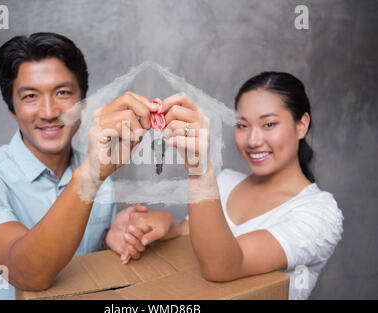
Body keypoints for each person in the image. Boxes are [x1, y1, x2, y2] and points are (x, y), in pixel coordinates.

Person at [0, 32, 179, 300]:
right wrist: (91, 173)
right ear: (13, 107)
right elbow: (27, 274)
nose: (48, 112)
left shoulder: (98, 169)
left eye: (63, 93)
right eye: (30, 96)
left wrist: (112, 237)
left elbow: (87, 257)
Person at [125, 72, 344, 299]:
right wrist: (164, 224)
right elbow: (189, 237)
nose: (253, 141)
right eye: (242, 125)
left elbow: (222, 266)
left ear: (301, 125)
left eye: (269, 124)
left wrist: (199, 168)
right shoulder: (226, 181)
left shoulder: (320, 212)